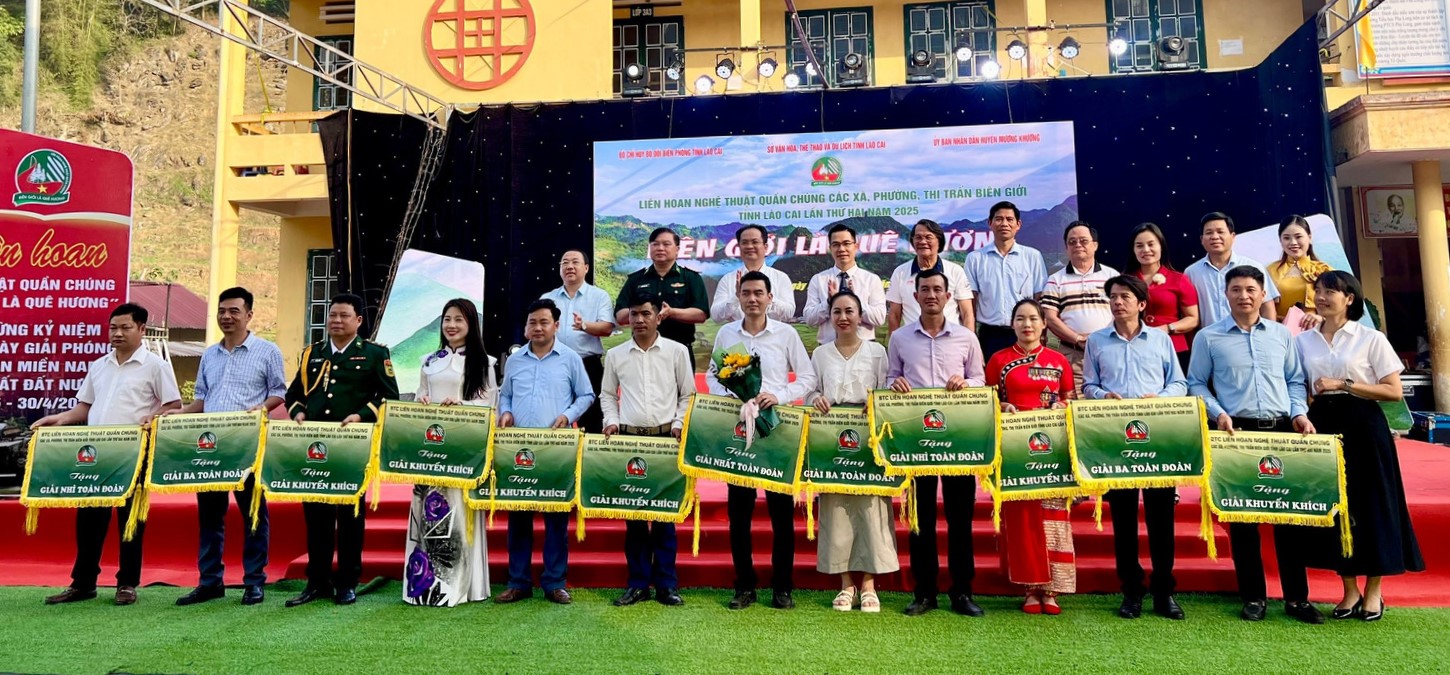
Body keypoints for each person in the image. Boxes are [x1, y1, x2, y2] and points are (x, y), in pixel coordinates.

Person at [1187, 266, 1323, 624]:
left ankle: (1297, 599)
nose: (1244, 296)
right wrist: (1218, 413)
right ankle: (1253, 597)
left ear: (1263, 295)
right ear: (1226, 295)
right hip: (1236, 433)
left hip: (1282, 430)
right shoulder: (1208, 337)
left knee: (1289, 517)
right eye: (1236, 289)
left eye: (1251, 289)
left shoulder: (1281, 335)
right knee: (1243, 520)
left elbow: (1295, 381)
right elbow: (1196, 383)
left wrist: (1299, 414)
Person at [1296, 271, 1423, 621]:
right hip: (1322, 425)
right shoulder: (1303, 340)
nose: (1322, 297)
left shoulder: (1370, 338)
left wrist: (1344, 384)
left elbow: (1393, 391)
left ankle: (1374, 590)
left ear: (1349, 298)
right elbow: (1300, 386)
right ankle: (1349, 589)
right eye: (1318, 291)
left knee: (1373, 503)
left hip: (1365, 424)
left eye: (1330, 291)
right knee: (1337, 503)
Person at [38, 303, 182, 606]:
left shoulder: (155, 366)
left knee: (130, 520)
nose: (117, 333)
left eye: (125, 327)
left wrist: (155, 416)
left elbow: (172, 405)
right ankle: (83, 583)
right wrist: (59, 419)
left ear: (142, 329)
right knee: (89, 519)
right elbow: (84, 407)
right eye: (113, 327)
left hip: (134, 452)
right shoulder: (99, 365)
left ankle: (127, 583)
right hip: (97, 452)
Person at [170, 287, 286, 607]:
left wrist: (262, 408)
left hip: (248, 443)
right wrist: (178, 414)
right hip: (211, 447)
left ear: (249, 315)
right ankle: (210, 581)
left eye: (234, 311)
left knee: (253, 514)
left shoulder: (267, 351)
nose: (227, 316)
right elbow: (201, 399)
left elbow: (279, 392)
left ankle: (254, 582)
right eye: (222, 311)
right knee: (210, 515)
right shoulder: (209, 354)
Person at [283, 293, 400, 607]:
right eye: (332, 315)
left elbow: (389, 397)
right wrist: (298, 413)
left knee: (350, 516)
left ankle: (348, 581)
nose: (336, 320)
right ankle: (316, 582)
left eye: (344, 315)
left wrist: (360, 416)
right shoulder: (312, 354)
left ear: (358, 320)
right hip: (315, 447)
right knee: (316, 515)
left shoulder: (374, 354)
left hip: (352, 446)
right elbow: (294, 394)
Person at [1083, 275, 1189, 620]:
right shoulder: (1096, 341)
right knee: (1124, 519)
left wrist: (1160, 398)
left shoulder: (1160, 339)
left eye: (1125, 297)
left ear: (1142, 304)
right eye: (1113, 297)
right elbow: (1089, 385)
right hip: (1116, 441)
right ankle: (1131, 590)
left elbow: (1179, 383)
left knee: (1162, 519)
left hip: (1156, 439)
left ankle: (1164, 591)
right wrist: (1102, 395)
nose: (1118, 302)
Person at [711, 271, 817, 611]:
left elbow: (808, 377)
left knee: (781, 515)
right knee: (739, 513)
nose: (752, 299)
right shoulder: (727, 333)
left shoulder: (785, 333)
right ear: (739, 298)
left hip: (776, 430)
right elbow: (714, 377)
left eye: (759, 292)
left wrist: (780, 395)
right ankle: (744, 586)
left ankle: (782, 587)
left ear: (771, 298)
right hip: (739, 430)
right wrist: (731, 396)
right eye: (746, 293)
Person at [887, 269, 988, 617]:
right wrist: (895, 384)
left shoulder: (966, 337)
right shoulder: (900, 338)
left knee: (960, 520)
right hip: (917, 441)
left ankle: (962, 592)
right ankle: (925, 592)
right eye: (925, 289)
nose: (931, 295)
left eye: (937, 290)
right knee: (921, 520)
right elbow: (890, 377)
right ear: (915, 296)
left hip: (958, 440)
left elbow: (980, 380)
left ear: (948, 296)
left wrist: (966, 384)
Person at [495, 299, 596, 605]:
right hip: (520, 449)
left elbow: (586, 394)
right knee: (518, 519)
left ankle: (554, 582)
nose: (537, 328)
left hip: (555, 449)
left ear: (556, 325)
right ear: (526, 327)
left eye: (543, 322)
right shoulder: (515, 360)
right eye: (532, 323)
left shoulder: (570, 358)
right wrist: (505, 412)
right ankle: (518, 582)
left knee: (556, 520)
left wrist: (568, 415)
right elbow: (505, 395)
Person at [601, 293, 694, 608]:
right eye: (634, 314)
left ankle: (667, 585)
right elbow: (607, 394)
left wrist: (679, 423)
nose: (639, 320)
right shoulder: (616, 355)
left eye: (645, 314)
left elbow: (688, 394)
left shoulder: (677, 351)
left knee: (665, 517)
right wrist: (612, 421)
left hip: (666, 440)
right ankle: (638, 584)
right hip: (629, 440)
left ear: (658, 317)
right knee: (635, 519)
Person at [807, 291, 897, 613]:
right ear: (829, 316)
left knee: (872, 509)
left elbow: (887, 391)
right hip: (832, 439)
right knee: (837, 509)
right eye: (837, 312)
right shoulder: (820, 354)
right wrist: (815, 399)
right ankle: (846, 584)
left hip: (868, 439)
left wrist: (877, 402)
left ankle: (869, 584)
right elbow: (810, 390)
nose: (843, 317)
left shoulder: (877, 352)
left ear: (861, 316)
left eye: (849, 311)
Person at [985, 299, 1076, 615]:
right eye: (1021, 319)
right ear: (1012, 324)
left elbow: (1069, 399)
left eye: (1034, 318)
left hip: (1051, 450)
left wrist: (1060, 407)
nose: (1027, 324)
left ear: (1044, 324)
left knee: (1053, 516)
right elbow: (987, 400)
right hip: (1014, 450)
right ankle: (1029, 587)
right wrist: (1002, 407)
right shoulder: (999, 360)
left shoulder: (1058, 361)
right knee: (1021, 518)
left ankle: (1051, 588)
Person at [405, 298, 497, 607]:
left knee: (456, 512)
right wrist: (422, 402)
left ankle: (459, 586)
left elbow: (489, 407)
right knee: (427, 511)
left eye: (459, 319)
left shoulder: (484, 363)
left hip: (462, 453)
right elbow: (421, 395)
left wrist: (463, 405)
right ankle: (424, 585)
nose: (452, 325)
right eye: (447, 319)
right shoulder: (429, 361)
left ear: (471, 324)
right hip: (431, 450)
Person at [542, 250, 616, 433]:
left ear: (586, 268)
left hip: (587, 366)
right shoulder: (548, 298)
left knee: (592, 420)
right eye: (565, 262)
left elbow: (607, 327)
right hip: (554, 364)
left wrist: (584, 325)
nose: (569, 266)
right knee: (552, 417)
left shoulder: (599, 296)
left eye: (575, 262)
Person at [963, 201, 1048, 357]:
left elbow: (1039, 297)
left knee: (1026, 373)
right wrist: (971, 337)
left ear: (1018, 224)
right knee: (990, 372)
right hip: (990, 335)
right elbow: (971, 302)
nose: (1004, 224)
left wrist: (1042, 333)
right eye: (999, 219)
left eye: (1009, 219)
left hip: (1026, 332)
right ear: (990, 223)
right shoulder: (975, 258)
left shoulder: (1032, 256)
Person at [1041, 221, 1117, 393]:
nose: (1077, 245)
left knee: (1111, 399)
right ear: (1066, 248)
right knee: (1075, 401)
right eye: (1072, 242)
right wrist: (1078, 339)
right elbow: (1050, 317)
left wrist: (1101, 339)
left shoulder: (1112, 276)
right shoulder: (1055, 280)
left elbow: (1122, 314)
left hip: (1109, 351)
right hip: (1072, 354)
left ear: (1095, 245)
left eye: (1083, 241)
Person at [615, 227, 709, 365]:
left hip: (679, 351)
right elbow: (620, 315)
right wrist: (643, 314)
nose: (660, 248)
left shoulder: (691, 278)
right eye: (655, 244)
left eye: (666, 244)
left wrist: (671, 312)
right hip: (641, 352)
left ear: (677, 249)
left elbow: (701, 314)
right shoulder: (636, 279)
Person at [1122, 222, 1199, 372]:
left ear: (1161, 246)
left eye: (1151, 244)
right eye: (1139, 246)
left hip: (1172, 348)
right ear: (1133, 250)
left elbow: (1193, 318)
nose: (1146, 250)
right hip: (1136, 347)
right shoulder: (1126, 280)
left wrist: (1167, 328)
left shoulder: (1178, 279)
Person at [1185, 212, 1280, 327]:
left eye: (1220, 232)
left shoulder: (1254, 267)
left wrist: (1269, 334)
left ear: (1233, 236)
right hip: (1210, 336)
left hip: (1249, 334)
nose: (1215, 237)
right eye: (1209, 233)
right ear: (1202, 239)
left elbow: (1267, 307)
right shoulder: (1191, 273)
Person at [803, 223, 888, 343]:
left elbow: (879, 319)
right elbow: (809, 319)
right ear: (830, 248)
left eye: (846, 243)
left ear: (856, 246)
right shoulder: (818, 280)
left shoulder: (871, 280)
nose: (841, 249)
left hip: (864, 347)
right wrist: (829, 302)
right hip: (828, 348)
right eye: (836, 245)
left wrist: (856, 301)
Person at [886, 219, 973, 332]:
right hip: (913, 340)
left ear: (939, 241)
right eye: (918, 237)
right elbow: (894, 315)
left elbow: (967, 314)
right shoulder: (900, 272)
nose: (923, 242)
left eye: (928, 237)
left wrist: (969, 341)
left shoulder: (955, 271)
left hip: (950, 340)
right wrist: (894, 342)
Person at [711, 224, 796, 323]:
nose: (749, 246)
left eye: (755, 242)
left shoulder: (780, 277)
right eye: (744, 242)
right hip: (738, 332)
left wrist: (769, 299)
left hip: (773, 332)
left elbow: (789, 313)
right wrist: (736, 297)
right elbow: (716, 316)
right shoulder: (728, 279)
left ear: (765, 247)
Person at [1268, 215, 1332, 321]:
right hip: (1279, 328)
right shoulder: (1269, 271)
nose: (1293, 242)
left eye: (1298, 237)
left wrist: (1321, 319)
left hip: (1317, 328)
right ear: (1280, 241)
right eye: (1286, 238)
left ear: (1309, 238)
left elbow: (1340, 308)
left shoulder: (1324, 270)